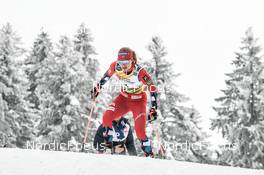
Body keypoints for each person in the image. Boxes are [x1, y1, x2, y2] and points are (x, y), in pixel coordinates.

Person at [91, 47, 158, 157]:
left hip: (138, 101)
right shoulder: (116, 66)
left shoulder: (140, 72)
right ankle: (108, 148)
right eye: (121, 62)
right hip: (123, 99)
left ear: (132, 60)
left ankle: (149, 154)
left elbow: (152, 87)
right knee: (106, 117)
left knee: (140, 132)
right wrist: (97, 88)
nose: (123, 65)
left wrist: (154, 108)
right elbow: (106, 76)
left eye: (126, 62)